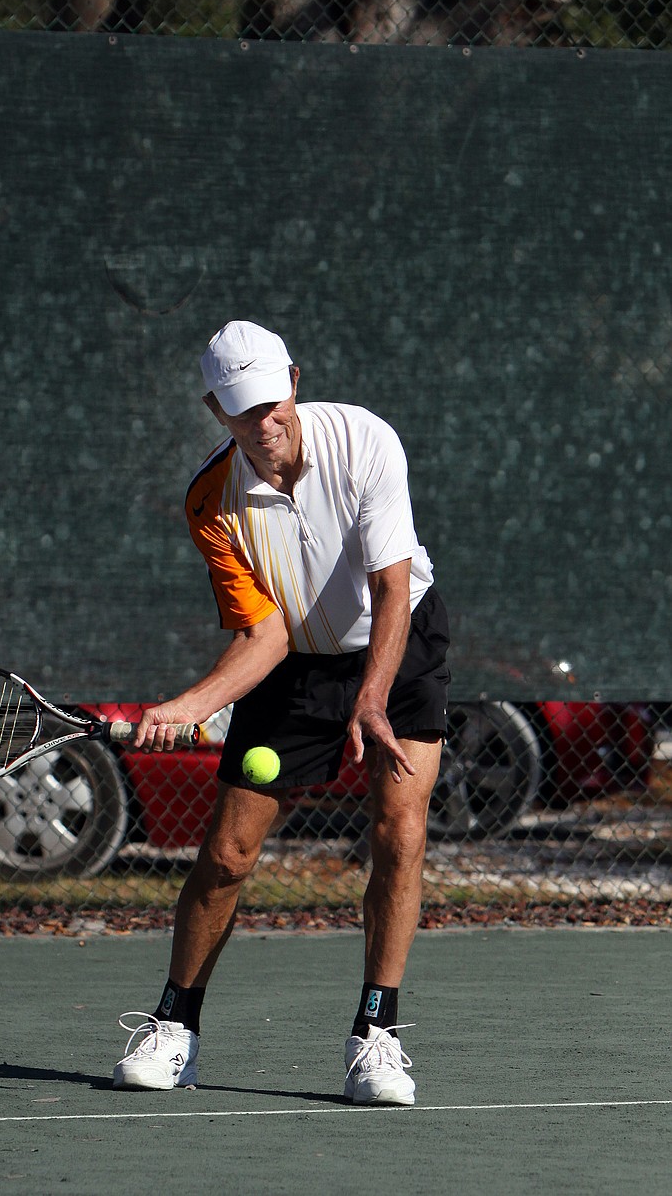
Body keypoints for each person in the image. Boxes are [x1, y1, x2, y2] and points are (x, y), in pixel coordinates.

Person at [112, 319, 450, 1106]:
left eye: (271, 401)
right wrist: (190, 704)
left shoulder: (364, 440)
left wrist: (371, 694)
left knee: (399, 832)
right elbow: (262, 634)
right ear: (216, 410)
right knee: (226, 853)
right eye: (241, 410)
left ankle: (376, 1036)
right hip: (294, 660)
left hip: (400, 643)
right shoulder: (212, 501)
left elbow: (392, 586)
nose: (263, 423)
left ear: (294, 380)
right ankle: (174, 1027)